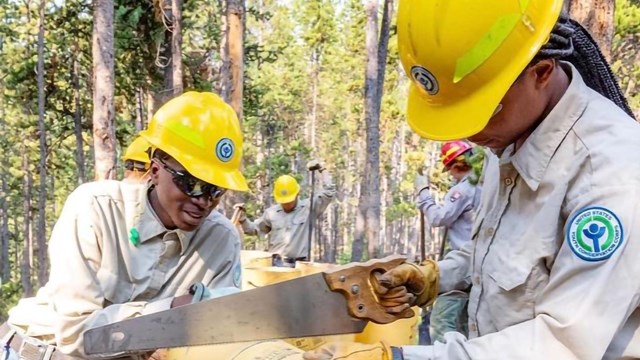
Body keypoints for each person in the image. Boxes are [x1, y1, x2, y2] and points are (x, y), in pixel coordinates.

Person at [304, 0, 640, 359]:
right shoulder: (510, 135)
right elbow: (502, 250)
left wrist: (398, 358)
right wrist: (434, 278)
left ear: (541, 72)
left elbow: (562, 344)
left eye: (481, 109)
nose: (471, 132)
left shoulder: (612, 176)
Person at [2, 92, 248, 359]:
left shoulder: (221, 239)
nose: (204, 201)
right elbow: (76, 335)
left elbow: (220, 337)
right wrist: (176, 311)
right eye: (193, 184)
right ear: (155, 170)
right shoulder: (95, 208)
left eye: (216, 190)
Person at [415, 141, 482, 344]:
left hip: (464, 264)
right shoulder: (485, 186)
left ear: (455, 165)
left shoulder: (463, 189)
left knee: (441, 321)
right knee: (465, 325)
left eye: (450, 170)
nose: (451, 175)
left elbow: (438, 218)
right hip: (480, 265)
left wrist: (423, 194)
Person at [238, 161, 336, 267]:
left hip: (299, 265)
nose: (286, 204)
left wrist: (323, 170)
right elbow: (253, 229)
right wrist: (243, 219)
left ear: (297, 194)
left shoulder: (309, 208)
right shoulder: (271, 213)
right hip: (276, 264)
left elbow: (329, 192)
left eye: (289, 200)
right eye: (283, 201)